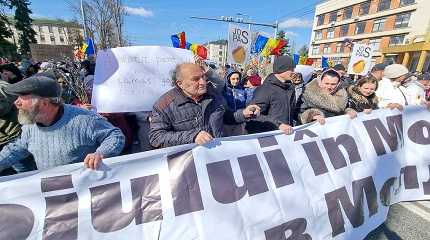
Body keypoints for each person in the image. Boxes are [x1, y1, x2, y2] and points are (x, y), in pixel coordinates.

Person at [0, 76, 125, 171]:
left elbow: (114, 135)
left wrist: (101, 153)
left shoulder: (84, 120)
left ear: (44, 102)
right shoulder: (30, 126)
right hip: (53, 193)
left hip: (84, 192)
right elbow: (18, 148)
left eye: (22, 97)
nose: (16, 102)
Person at [149, 63, 260, 148]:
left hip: (219, 153)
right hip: (188, 164)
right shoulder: (164, 105)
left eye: (203, 77)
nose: (203, 82)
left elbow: (226, 116)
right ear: (180, 83)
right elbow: (156, 137)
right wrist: (193, 136)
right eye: (196, 79)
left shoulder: (214, 95)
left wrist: (244, 114)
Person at [246, 55, 298, 134]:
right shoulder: (265, 89)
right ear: (282, 69)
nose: (294, 72)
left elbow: (293, 112)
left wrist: (311, 116)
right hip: (271, 137)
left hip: (287, 137)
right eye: (291, 69)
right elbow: (254, 115)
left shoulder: (290, 88)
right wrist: (278, 125)